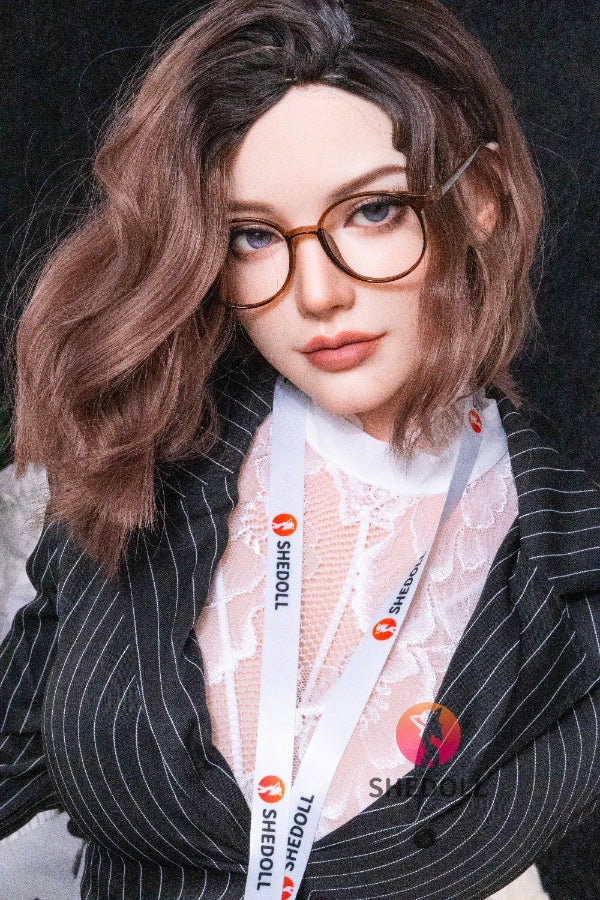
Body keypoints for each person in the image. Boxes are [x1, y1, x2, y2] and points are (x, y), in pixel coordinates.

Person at [1, 1, 599, 898]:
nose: (316, 293)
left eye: (373, 211)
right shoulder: (141, 457)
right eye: (254, 235)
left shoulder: (572, 571)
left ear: (480, 200)